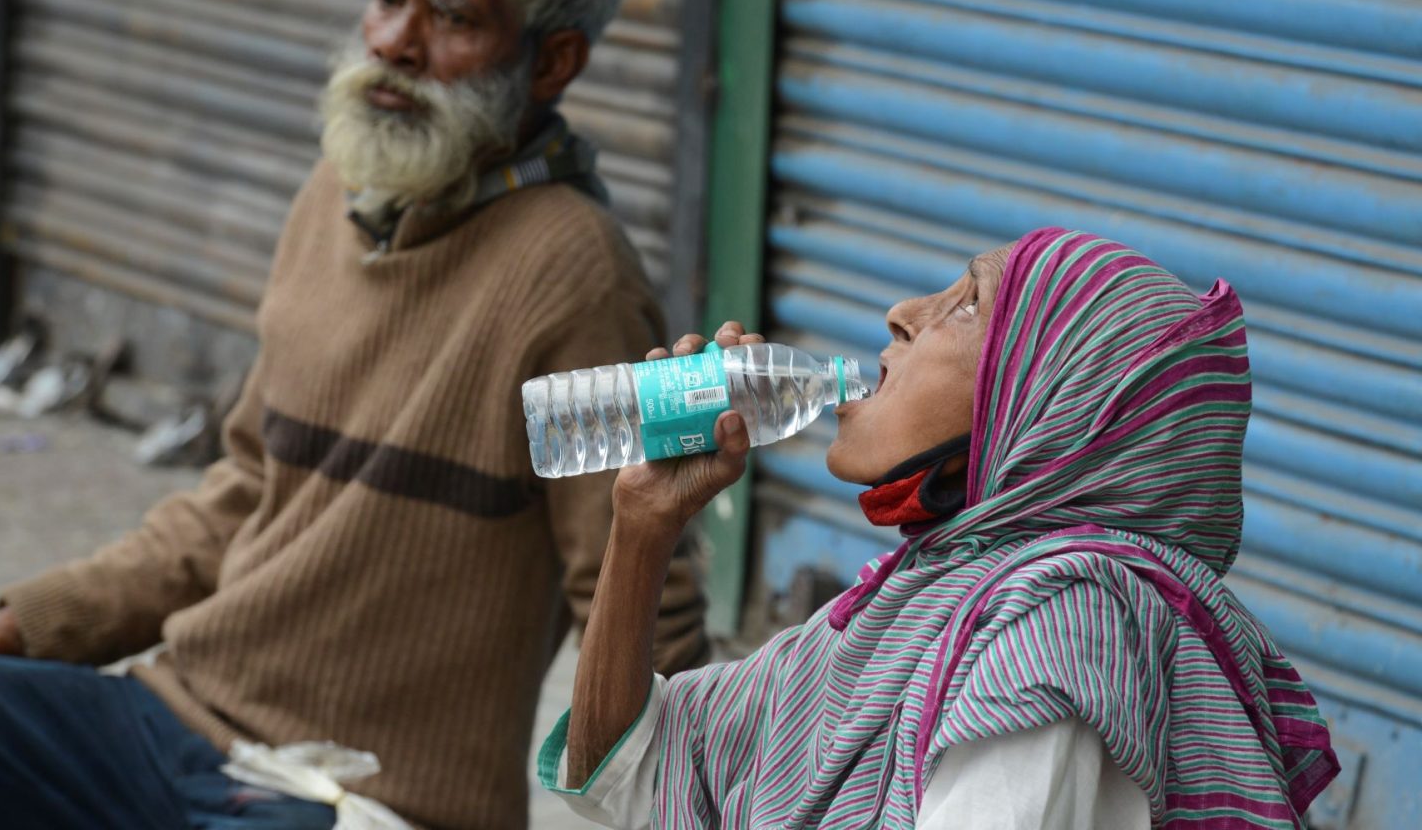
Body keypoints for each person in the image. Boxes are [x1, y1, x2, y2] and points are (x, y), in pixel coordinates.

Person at [0, 0, 708, 828]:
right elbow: (242, 495)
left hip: (358, 798)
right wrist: (28, 623)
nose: (395, 43)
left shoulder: (580, 277)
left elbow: (642, 596)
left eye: (451, 16)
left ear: (551, 61)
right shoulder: (339, 192)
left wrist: (712, 787)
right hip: (176, 723)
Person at [543, 227, 1340, 829]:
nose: (902, 315)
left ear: (1050, 401)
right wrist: (644, 524)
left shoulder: (1061, 625)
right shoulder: (922, 599)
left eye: (967, 305)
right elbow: (628, 777)